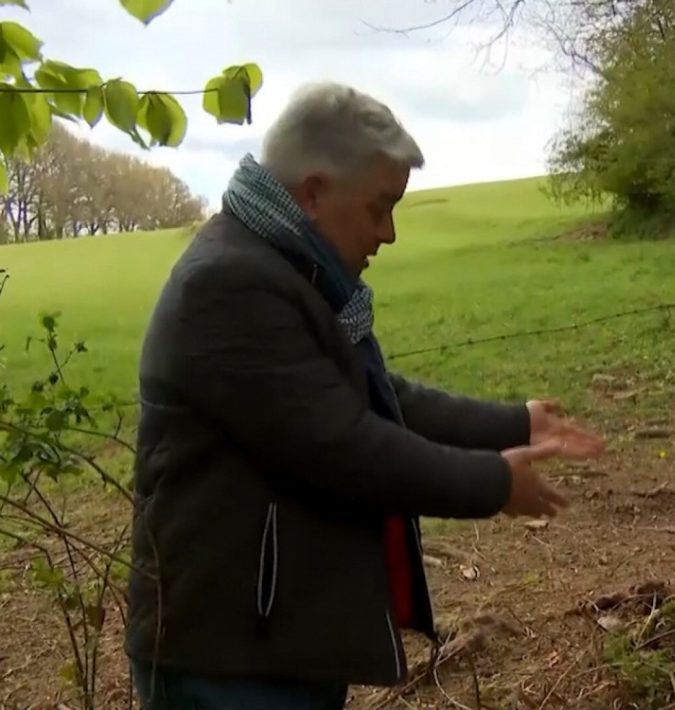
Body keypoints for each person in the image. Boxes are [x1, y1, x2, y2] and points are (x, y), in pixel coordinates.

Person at [125, 82, 604, 710]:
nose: (389, 234)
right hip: (225, 658)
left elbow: (373, 397)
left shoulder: (287, 267)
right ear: (315, 192)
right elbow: (342, 445)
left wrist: (513, 423)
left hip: (273, 638)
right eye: (380, 208)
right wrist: (491, 483)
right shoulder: (230, 285)